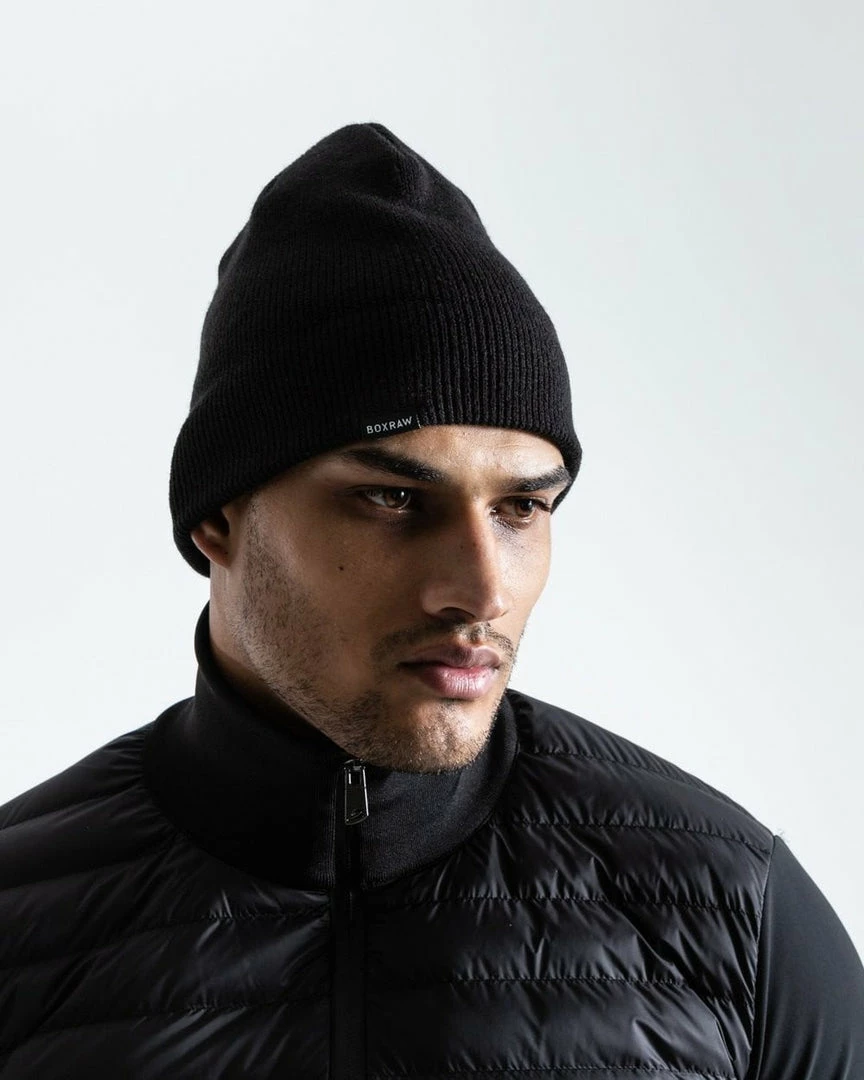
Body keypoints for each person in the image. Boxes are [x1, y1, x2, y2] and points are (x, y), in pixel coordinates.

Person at [0, 123, 861, 1079]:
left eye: (520, 507)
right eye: (392, 500)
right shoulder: (20, 918)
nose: (482, 588)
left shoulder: (734, 910)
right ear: (217, 518)